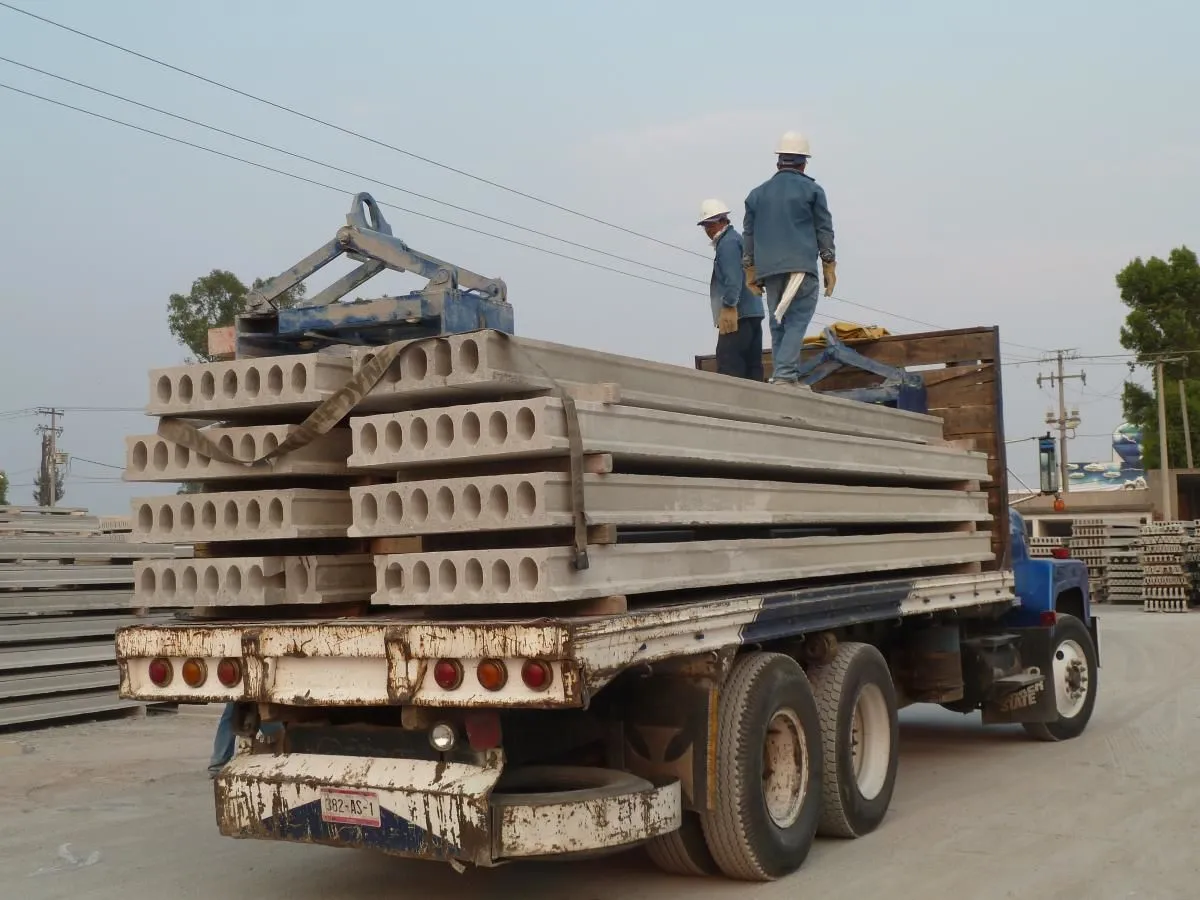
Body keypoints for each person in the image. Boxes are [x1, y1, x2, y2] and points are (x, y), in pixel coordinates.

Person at [742, 131, 837, 386]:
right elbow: (823, 229)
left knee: (778, 322)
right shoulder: (812, 190)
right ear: (804, 163)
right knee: (796, 319)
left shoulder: (756, 195)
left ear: (778, 162)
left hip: (769, 271)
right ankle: (785, 375)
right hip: (801, 268)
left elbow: (748, 234)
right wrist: (829, 264)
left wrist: (749, 269)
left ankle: (784, 375)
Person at [696, 198, 765, 380]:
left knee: (729, 367)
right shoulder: (737, 240)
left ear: (721, 221)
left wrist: (728, 306)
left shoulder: (727, 245)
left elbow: (732, 279)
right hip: (753, 314)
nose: (708, 231)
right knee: (752, 370)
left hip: (738, 317)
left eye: (709, 225)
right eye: (705, 226)